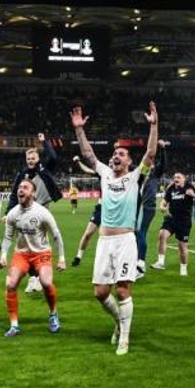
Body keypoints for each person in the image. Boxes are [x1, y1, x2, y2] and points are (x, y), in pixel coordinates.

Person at [70, 101, 158, 355]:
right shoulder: (106, 173)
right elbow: (88, 154)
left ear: (130, 161)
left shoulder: (136, 177)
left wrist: (154, 126)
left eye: (121, 154)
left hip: (125, 240)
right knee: (100, 292)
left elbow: (150, 155)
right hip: (104, 240)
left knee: (122, 290)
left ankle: (124, 338)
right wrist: (79, 130)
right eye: (114, 153)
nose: (116, 156)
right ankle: (118, 322)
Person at [0, 179, 67, 337]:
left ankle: (53, 315)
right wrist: (3, 256)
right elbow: (8, 237)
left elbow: (56, 235)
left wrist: (62, 258)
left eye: (25, 187)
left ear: (33, 193)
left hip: (41, 253)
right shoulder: (13, 214)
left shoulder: (42, 212)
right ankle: (14, 325)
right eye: (19, 187)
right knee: (10, 284)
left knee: (46, 282)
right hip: (21, 254)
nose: (20, 190)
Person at [7, 133, 62, 294]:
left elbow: (53, 156)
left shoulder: (44, 169)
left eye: (33, 158)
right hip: (24, 212)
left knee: (39, 243)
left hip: (42, 211)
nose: (31, 161)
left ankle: (38, 275)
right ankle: (34, 277)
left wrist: (44, 142)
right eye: (28, 158)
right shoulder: (22, 174)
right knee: (25, 243)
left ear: (38, 158)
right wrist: (9, 212)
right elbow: (13, 195)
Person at [151, 173, 195, 276]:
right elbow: (164, 201)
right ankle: (160, 262)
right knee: (162, 235)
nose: (176, 179)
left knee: (182, 245)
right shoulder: (171, 188)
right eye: (175, 177)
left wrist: (193, 195)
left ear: (184, 179)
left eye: (178, 177)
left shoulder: (190, 187)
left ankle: (183, 268)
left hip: (184, 220)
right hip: (171, 218)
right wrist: (162, 206)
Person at [135, 140, 167, 278]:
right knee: (136, 233)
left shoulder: (154, 174)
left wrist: (163, 149)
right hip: (137, 207)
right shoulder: (138, 173)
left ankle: (140, 265)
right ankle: (136, 261)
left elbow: (163, 164)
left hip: (146, 206)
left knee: (140, 232)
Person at [71, 156, 101, 267]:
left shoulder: (122, 177)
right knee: (88, 233)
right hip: (101, 208)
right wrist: (78, 162)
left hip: (115, 210)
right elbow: (87, 170)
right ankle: (78, 257)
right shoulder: (104, 174)